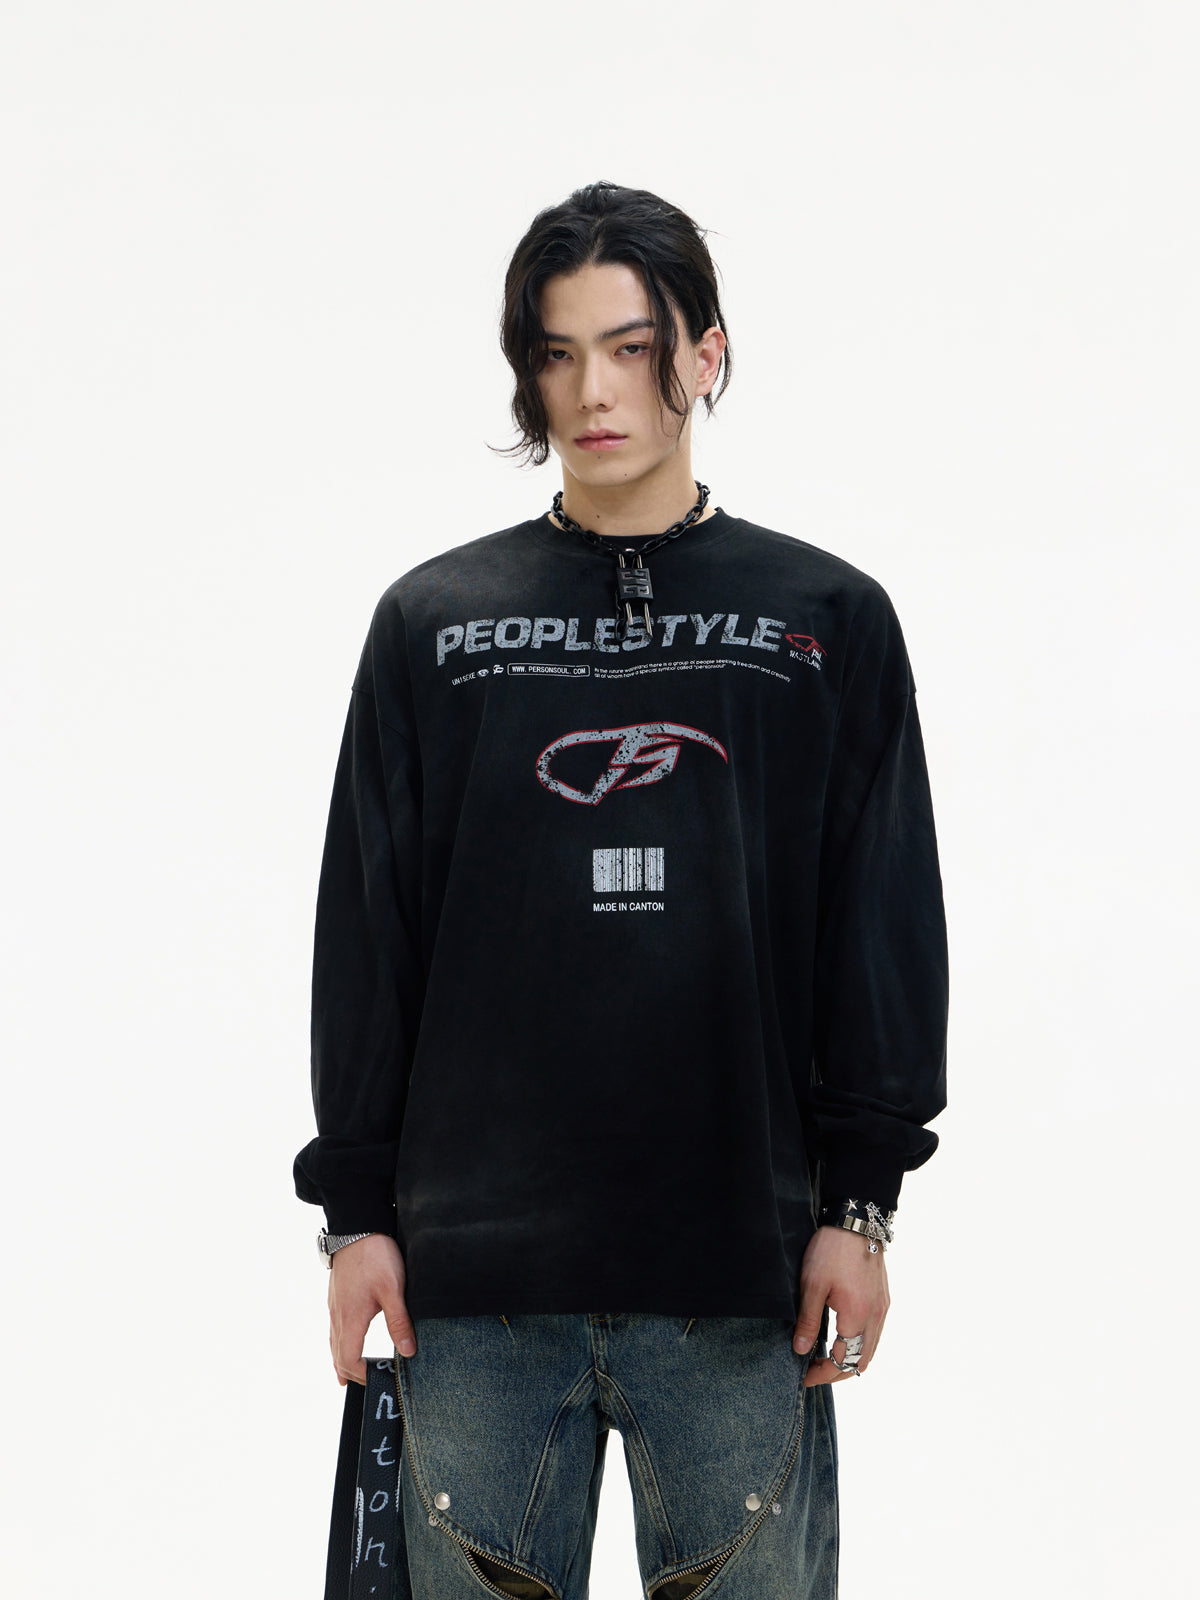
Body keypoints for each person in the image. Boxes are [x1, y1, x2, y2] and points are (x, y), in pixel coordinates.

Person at [294, 180, 949, 1600]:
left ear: (704, 354)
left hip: (742, 1281)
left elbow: (880, 924)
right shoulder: (435, 626)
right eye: (557, 353)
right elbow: (368, 935)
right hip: (475, 1289)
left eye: (632, 348)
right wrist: (354, 1215)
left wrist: (862, 1207)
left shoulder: (823, 622)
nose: (593, 391)